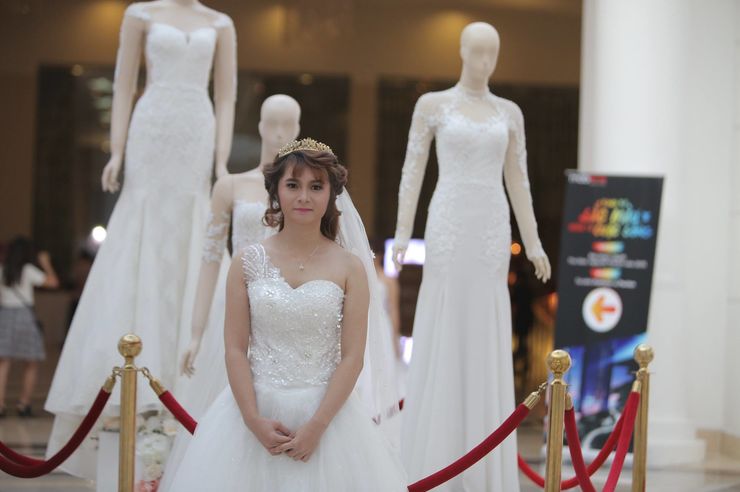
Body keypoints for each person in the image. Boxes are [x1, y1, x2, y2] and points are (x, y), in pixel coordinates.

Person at [44, 0, 237, 479]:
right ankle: (135, 386)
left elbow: (227, 96)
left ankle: (189, 386)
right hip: (151, 129)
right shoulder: (140, 14)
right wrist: (116, 151)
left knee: (192, 234)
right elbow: (124, 83)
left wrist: (221, 161)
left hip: (196, 129)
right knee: (143, 234)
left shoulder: (221, 23)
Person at [166, 139, 407, 491]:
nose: (304, 197)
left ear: (331, 194)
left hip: (329, 418)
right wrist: (252, 419)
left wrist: (317, 426)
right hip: (252, 413)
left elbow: (353, 357)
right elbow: (235, 349)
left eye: (316, 187)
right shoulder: (246, 262)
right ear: (276, 191)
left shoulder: (350, 267)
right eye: (293, 185)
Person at [392, 22, 551, 490]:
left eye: (492, 53)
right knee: (447, 319)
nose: (484, 61)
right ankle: (435, 460)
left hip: (490, 229)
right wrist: (402, 232)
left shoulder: (510, 113)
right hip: (449, 223)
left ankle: (481, 466)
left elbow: (518, 179)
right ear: (461, 51)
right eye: (477, 51)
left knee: (484, 323)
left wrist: (533, 241)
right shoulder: (432, 105)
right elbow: (412, 170)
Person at [0, 237, 59, 417]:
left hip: (4, 315)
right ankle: (23, 404)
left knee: (3, 363)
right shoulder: (28, 270)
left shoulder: (2, 270)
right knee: (31, 362)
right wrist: (46, 263)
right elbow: (53, 282)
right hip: (24, 316)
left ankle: (0, 405)